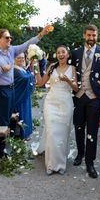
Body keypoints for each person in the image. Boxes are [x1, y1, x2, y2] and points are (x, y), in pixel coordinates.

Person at [0, 26, 51, 159]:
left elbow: (27, 44)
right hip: (1, 90)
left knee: (11, 118)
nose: (10, 39)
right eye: (7, 37)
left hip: (12, 88)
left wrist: (41, 34)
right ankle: (0, 152)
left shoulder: (11, 50)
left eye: (10, 38)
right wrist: (0, 70)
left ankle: (11, 145)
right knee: (3, 120)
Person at [71, 24, 100, 178]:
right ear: (84, 35)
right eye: (89, 35)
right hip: (79, 97)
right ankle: (80, 154)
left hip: (95, 98)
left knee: (92, 130)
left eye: (94, 35)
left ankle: (90, 162)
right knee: (78, 128)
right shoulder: (75, 53)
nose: (91, 38)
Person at [36, 45, 78, 175]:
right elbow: (41, 83)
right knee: (52, 132)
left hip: (65, 103)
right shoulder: (52, 68)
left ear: (67, 54)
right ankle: (51, 165)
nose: (60, 54)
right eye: (58, 52)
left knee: (62, 134)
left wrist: (68, 81)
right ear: (56, 55)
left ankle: (60, 165)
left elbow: (76, 89)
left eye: (63, 52)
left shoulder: (72, 69)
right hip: (51, 102)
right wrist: (36, 68)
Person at [12, 53, 34, 139]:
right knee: (21, 115)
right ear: (14, 59)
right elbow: (23, 78)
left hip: (24, 96)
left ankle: (25, 133)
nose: (21, 59)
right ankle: (20, 134)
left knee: (26, 114)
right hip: (19, 97)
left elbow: (26, 75)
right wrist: (31, 74)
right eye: (18, 58)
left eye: (22, 58)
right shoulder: (14, 69)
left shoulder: (21, 69)